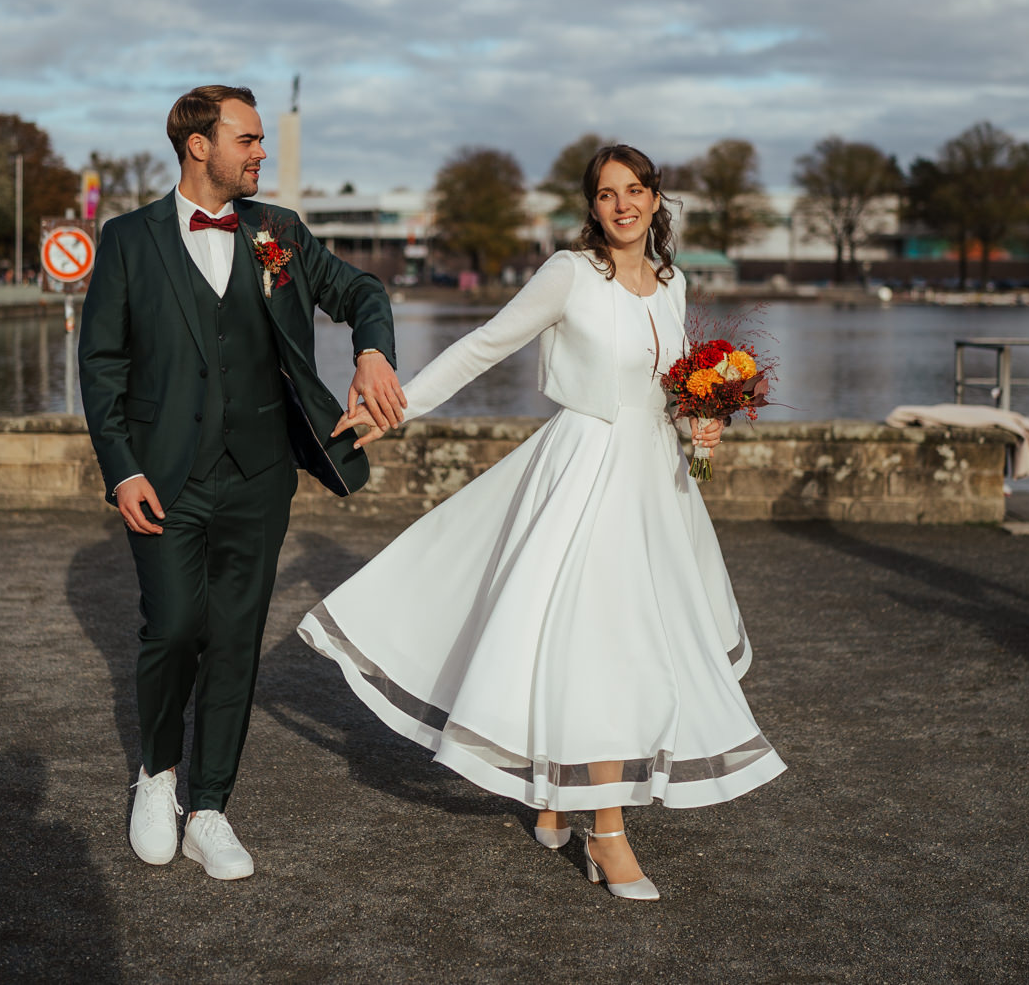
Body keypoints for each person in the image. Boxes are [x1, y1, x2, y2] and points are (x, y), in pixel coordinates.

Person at [306, 144, 784, 901]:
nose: (623, 204)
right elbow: (482, 347)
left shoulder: (672, 282)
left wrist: (703, 425)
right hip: (584, 471)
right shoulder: (569, 273)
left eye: (635, 189)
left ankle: (558, 797)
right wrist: (396, 408)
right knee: (600, 646)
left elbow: (670, 389)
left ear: (656, 198)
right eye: (607, 193)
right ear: (591, 206)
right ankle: (607, 831)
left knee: (638, 644)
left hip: (657, 484)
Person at [77, 84, 403, 879]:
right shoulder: (127, 239)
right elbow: (102, 364)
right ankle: (157, 775)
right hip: (164, 476)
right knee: (172, 626)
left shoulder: (278, 233)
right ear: (199, 145)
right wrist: (121, 469)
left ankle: (210, 806)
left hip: (260, 475)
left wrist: (371, 351)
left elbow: (361, 291)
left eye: (261, 139)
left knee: (234, 637)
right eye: (247, 139)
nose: (260, 152)